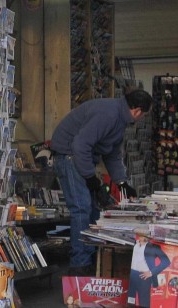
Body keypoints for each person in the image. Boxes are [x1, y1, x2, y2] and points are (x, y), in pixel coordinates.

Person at [51, 89, 153, 275]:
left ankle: (90, 256)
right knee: (81, 208)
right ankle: (79, 264)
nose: (142, 118)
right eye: (144, 114)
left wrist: (122, 182)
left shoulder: (119, 120)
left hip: (81, 156)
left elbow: (112, 153)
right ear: (137, 111)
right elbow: (80, 145)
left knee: (94, 209)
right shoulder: (108, 114)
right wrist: (90, 178)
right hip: (69, 155)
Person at [127, 235, 170, 307]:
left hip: (144, 276)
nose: (138, 234)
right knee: (130, 300)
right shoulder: (135, 243)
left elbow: (166, 261)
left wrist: (151, 272)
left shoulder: (153, 247)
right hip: (132, 274)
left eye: (141, 233)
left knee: (144, 303)